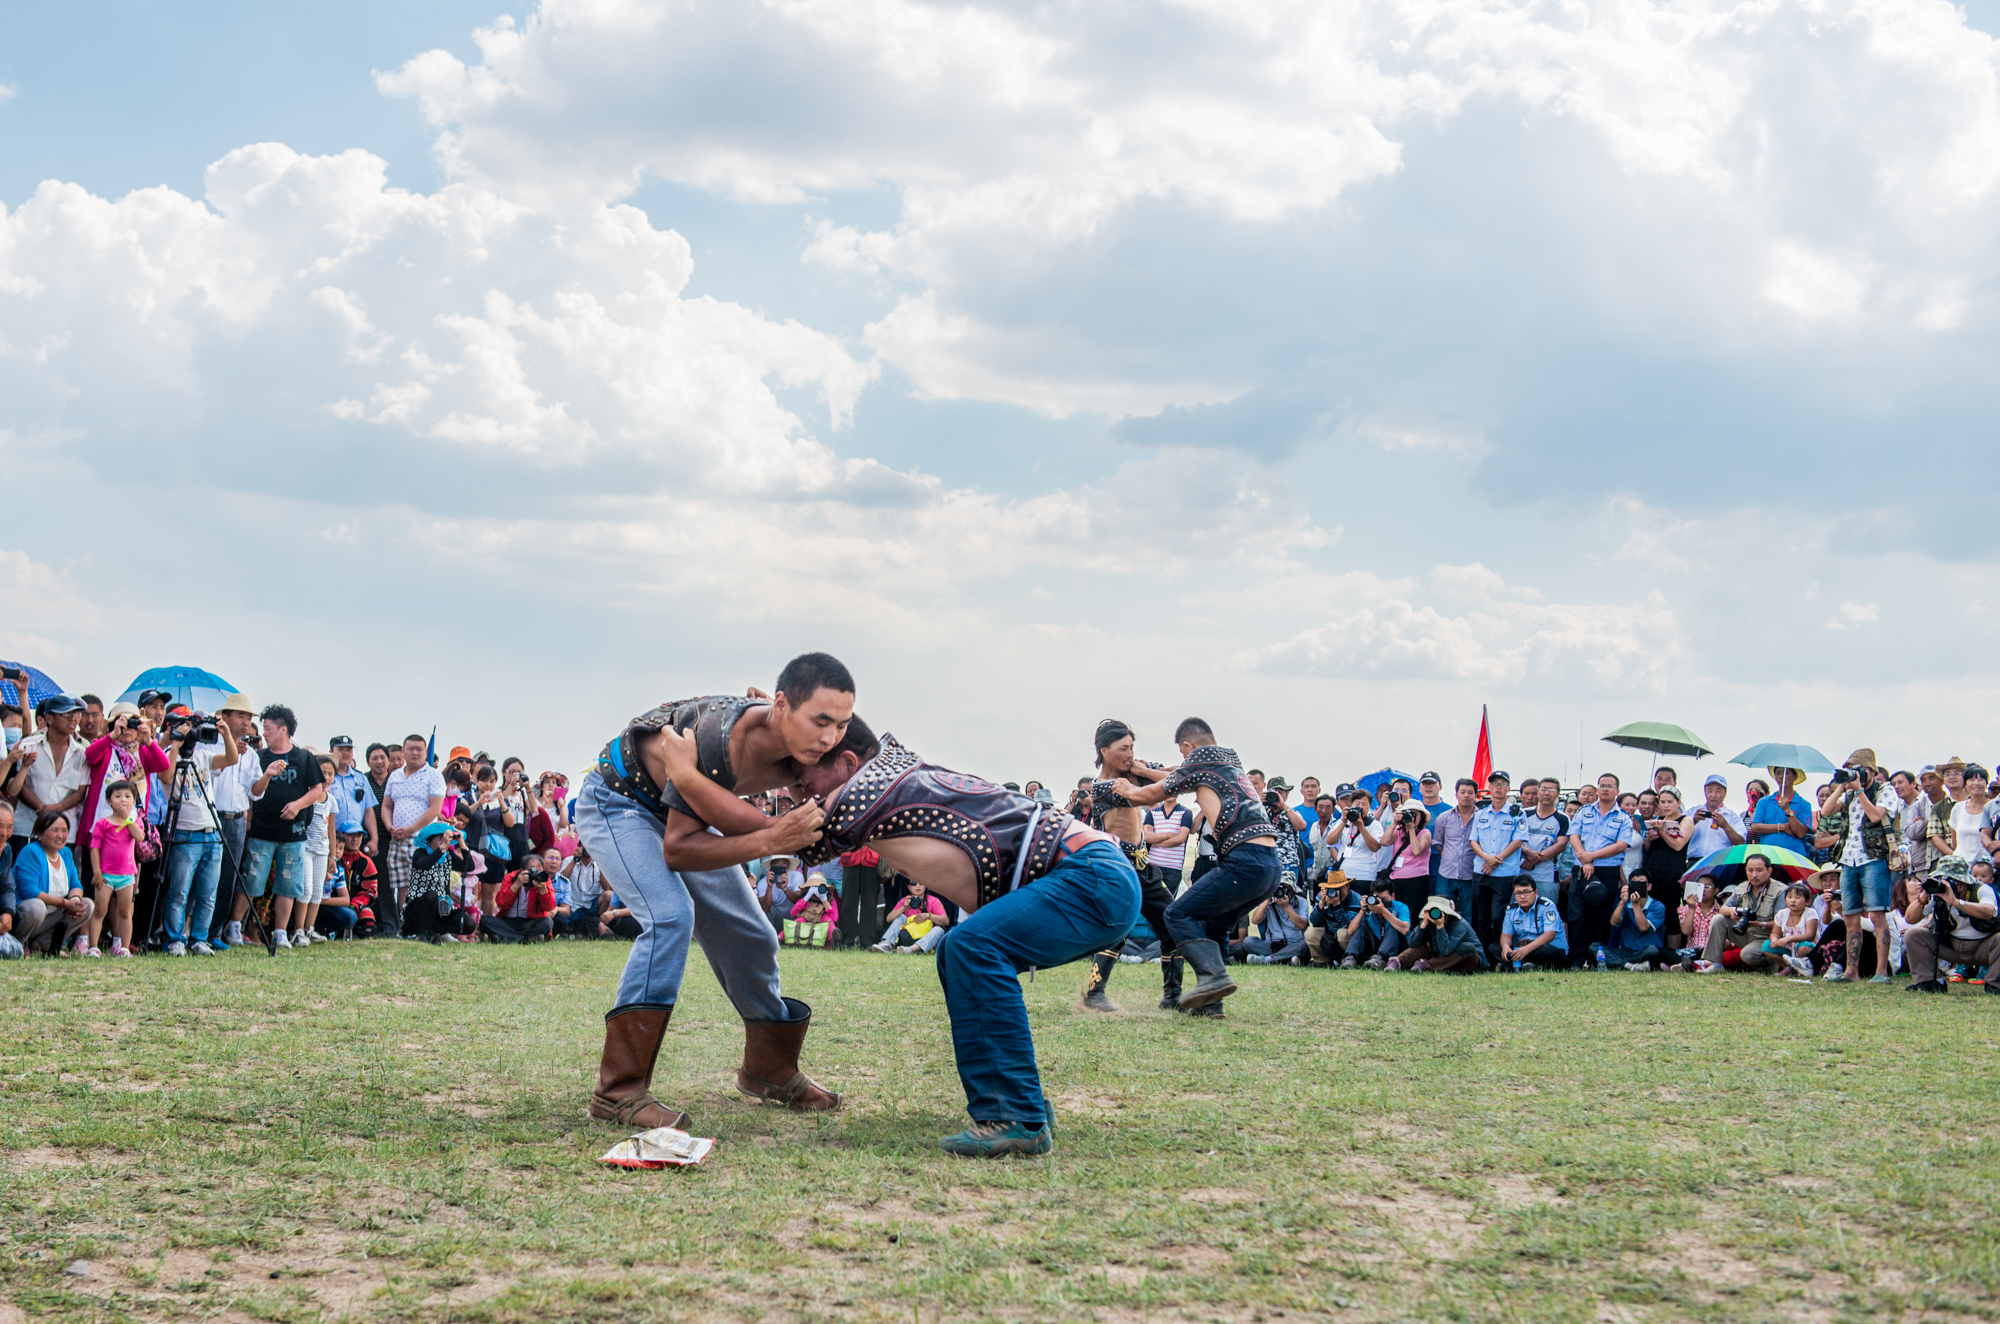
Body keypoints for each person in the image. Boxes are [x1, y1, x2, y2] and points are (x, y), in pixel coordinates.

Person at [670, 716, 1142, 1157]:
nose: (798, 795)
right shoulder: (892, 761)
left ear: (848, 764)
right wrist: (784, 721)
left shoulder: (862, 794)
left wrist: (687, 774)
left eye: (803, 779)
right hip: (1093, 871)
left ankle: (1015, 1114)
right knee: (969, 953)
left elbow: (769, 833)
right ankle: (1022, 1101)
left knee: (971, 949)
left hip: (1088, 876)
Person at [574, 654, 852, 1135]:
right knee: (669, 917)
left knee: (753, 932)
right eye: (820, 722)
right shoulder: (712, 739)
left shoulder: (809, 740)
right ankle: (617, 1092)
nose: (829, 738)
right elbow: (680, 850)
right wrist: (771, 839)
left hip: (681, 816)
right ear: (782, 706)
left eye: (841, 725)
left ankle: (768, 1070)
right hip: (618, 804)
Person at [1108, 717, 1280, 1014]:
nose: (1183, 760)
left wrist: (1126, 788)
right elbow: (1178, 773)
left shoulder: (1200, 760)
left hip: (1244, 861)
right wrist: (1142, 769)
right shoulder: (1229, 760)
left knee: (1176, 913)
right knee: (1216, 922)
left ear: (1189, 746)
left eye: (1183, 754)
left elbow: (1153, 793)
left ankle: (1214, 977)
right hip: (1269, 866)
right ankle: (1211, 1003)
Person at [1076, 719, 1182, 1014]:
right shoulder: (1103, 788)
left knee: (1171, 923)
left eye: (1132, 747)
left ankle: (1172, 995)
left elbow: (1182, 777)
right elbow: (1160, 791)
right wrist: (1143, 776)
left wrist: (1143, 770)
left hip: (1144, 866)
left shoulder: (1133, 774)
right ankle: (1095, 994)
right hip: (1117, 867)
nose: (1129, 754)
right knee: (1117, 930)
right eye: (1123, 748)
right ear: (1104, 750)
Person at [227, 705, 326, 951]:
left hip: (294, 834)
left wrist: (297, 805)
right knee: (251, 880)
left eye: (268, 728)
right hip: (262, 830)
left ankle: (281, 932)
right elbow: (251, 791)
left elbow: (317, 790)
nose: (264, 732)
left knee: (289, 885)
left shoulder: (303, 758)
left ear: (283, 729)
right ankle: (234, 926)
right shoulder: (259, 756)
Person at [1813, 749, 1898, 985]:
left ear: (1873, 771)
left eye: (1860, 770)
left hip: (1873, 859)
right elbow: (1826, 811)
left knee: (1878, 916)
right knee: (1850, 918)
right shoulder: (1849, 793)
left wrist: (1859, 789)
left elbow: (1874, 816)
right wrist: (1841, 785)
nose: (1857, 774)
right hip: (1848, 860)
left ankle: (1881, 972)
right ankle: (1851, 971)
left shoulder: (1885, 790)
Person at [1902, 856, 2000, 994]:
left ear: (1964, 880)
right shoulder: (1938, 894)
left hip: (1983, 946)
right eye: (1943, 878)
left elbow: (1988, 912)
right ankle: (1929, 982)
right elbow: (1910, 919)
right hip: (1950, 945)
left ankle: (1995, 984)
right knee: (1913, 934)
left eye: (1952, 880)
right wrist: (1923, 897)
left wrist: (1956, 902)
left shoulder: (1981, 889)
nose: (1947, 883)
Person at [1569, 773, 1634, 960]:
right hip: (1582, 867)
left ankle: (1597, 957)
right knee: (1577, 915)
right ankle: (1577, 959)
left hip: (1607, 870)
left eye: (1610, 786)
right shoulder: (1584, 811)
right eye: (1602, 785)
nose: (1605, 789)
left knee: (1602, 916)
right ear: (1597, 789)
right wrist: (1586, 861)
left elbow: (1621, 845)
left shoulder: (1623, 818)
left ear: (1617, 791)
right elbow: (1574, 836)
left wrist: (1592, 857)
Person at [382, 735, 446, 922]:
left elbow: (435, 808)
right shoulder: (394, 775)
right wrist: (389, 826)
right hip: (397, 838)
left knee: (423, 885)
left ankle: (425, 926)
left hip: (422, 839)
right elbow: (387, 806)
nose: (415, 752)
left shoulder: (434, 775)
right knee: (403, 886)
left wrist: (411, 829)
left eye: (419, 749)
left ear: (426, 752)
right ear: (403, 752)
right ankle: (406, 926)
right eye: (410, 749)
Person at [12, 810, 94, 954]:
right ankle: (17, 944)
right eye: (54, 830)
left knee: (86, 905)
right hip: (24, 916)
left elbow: (75, 885)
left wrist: (74, 900)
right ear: (40, 833)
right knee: (36, 907)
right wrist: (64, 903)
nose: (60, 835)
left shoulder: (65, 853)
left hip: (48, 917)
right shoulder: (31, 852)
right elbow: (30, 892)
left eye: (64, 830)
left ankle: (43, 944)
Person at [16, 694, 89, 845]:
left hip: (63, 833)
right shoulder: (29, 745)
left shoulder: (81, 753)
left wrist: (54, 809)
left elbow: (80, 792)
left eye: (75, 714)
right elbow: (18, 783)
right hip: (27, 826)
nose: (73, 718)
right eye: (65, 714)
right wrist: (40, 806)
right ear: (49, 718)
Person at [1466, 771, 1526, 954]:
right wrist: (1487, 858)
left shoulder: (1518, 814)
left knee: (1499, 916)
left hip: (1504, 872)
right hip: (1481, 870)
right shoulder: (1481, 813)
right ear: (1489, 788)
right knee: (1480, 916)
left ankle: (1497, 954)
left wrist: (1495, 860)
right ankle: (1481, 953)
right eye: (1494, 784)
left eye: (1502, 784)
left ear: (1508, 788)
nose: (1498, 787)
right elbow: (1473, 841)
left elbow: (1518, 841)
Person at [1701, 851, 1787, 972]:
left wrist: (1760, 924)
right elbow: (1723, 909)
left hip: (1767, 938)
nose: (1754, 875)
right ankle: (1715, 964)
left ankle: (1771, 966)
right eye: (1750, 870)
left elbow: (1783, 923)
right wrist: (1733, 911)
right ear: (1746, 870)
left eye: (1759, 870)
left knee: (1747, 954)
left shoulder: (1780, 890)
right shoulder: (1742, 887)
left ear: (1769, 871)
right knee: (1718, 919)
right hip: (1746, 933)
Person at [87, 780, 145, 957]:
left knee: (125, 912)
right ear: (108, 801)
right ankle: (93, 947)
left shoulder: (133, 822)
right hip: (105, 875)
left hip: (127, 875)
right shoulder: (102, 823)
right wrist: (97, 872)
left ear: (134, 801)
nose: (123, 800)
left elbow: (140, 837)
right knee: (99, 910)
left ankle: (124, 947)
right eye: (117, 796)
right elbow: (94, 848)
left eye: (128, 796)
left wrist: (128, 819)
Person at [1640, 788, 1692, 950]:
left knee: (1671, 914)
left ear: (1678, 803)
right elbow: (1649, 850)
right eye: (1662, 802)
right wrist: (1649, 839)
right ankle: (1652, 950)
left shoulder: (1686, 820)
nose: (1666, 805)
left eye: (1670, 802)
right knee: (1650, 912)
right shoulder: (1657, 820)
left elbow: (1678, 845)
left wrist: (1662, 830)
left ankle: (1673, 954)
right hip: (1653, 872)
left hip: (1673, 873)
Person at [1385, 895, 1483, 972]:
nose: (1436, 914)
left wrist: (1440, 926)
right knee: (1423, 947)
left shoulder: (1460, 924)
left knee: (1467, 947)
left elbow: (1446, 950)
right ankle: (1397, 962)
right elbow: (1412, 943)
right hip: (1441, 959)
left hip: (1468, 961)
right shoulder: (1429, 920)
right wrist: (1423, 925)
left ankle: (1425, 965)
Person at [1430, 778, 1478, 932]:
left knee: (1469, 915)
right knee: (1440, 912)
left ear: (1476, 795)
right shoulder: (1444, 817)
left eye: (1470, 792)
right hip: (1446, 873)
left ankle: (1469, 949)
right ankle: (1441, 946)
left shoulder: (1482, 818)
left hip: (1471, 875)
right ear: (1456, 794)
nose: (1466, 796)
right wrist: (1450, 859)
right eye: (1462, 792)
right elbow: (1438, 843)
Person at [483, 850, 559, 943]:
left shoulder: (544, 880)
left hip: (530, 922)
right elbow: (500, 903)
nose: (534, 874)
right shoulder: (511, 877)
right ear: (522, 870)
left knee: (547, 923)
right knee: (485, 920)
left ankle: (505, 938)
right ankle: (527, 939)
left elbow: (549, 907)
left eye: (538, 871)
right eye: (531, 871)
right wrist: (516, 885)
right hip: (508, 921)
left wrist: (543, 890)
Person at [1232, 877, 1309, 965]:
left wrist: (1286, 907)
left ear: (1292, 890)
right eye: (1279, 888)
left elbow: (1302, 925)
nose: (1282, 892)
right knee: (1248, 941)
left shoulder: (1301, 902)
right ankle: (1286, 958)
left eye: (1285, 889)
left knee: (1306, 944)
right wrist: (1266, 899)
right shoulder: (1269, 902)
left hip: (1293, 944)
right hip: (1273, 945)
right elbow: (1255, 920)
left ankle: (1267, 960)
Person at [1517, 778, 1569, 907]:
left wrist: (1534, 860)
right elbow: (1514, 839)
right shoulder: (1523, 814)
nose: (1547, 793)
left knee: (1545, 914)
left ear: (1557, 794)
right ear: (1538, 792)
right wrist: (1528, 853)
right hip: (1520, 872)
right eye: (1544, 789)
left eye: (1551, 790)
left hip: (1547, 876)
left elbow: (1561, 845)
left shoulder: (1563, 818)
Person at [325, 737, 379, 858]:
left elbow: (368, 810)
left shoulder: (361, 778)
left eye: (349, 750)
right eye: (340, 749)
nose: (345, 753)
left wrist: (374, 839)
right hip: (331, 838)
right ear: (331, 752)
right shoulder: (325, 777)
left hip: (355, 840)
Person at [1597, 874, 1666, 971]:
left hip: (1645, 951)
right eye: (1634, 882)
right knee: (1595, 948)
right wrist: (1622, 902)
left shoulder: (1657, 906)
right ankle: (1632, 966)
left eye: (1641, 882)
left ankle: (1621, 963)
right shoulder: (1626, 904)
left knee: (1653, 951)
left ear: (1649, 886)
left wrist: (1636, 905)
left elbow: (1643, 927)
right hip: (1626, 951)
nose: (1637, 885)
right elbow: (1614, 923)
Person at [1498, 877, 1567, 969]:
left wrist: (1527, 949)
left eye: (1526, 892)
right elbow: (1506, 935)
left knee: (1546, 950)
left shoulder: (1547, 906)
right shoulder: (1511, 910)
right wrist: (1505, 948)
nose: (1522, 896)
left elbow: (1550, 935)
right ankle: (1528, 965)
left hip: (1547, 949)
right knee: (1494, 947)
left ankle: (1515, 964)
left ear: (1535, 892)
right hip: (1523, 949)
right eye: (1518, 893)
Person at [1747, 767, 1815, 858]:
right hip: (1768, 855)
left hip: (1795, 856)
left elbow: (1801, 833)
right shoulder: (1764, 801)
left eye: (1786, 773)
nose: (1781, 777)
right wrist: (1782, 827)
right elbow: (1755, 826)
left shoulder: (1804, 804)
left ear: (1795, 776)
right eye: (1778, 773)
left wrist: (1788, 810)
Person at [1347, 878, 1411, 968]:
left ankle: (1380, 958)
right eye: (1378, 899)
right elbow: (1350, 931)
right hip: (1374, 945)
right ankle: (1350, 958)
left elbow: (1405, 929)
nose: (1381, 902)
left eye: (1385, 899)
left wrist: (1383, 911)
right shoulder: (1370, 909)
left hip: (1396, 948)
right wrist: (1362, 911)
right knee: (1361, 927)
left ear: (1393, 896)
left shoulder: (1400, 907)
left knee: (1394, 927)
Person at [873, 880, 950, 953]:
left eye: (921, 883)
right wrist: (903, 908)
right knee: (901, 917)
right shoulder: (905, 900)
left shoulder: (933, 900)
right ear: (909, 887)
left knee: (939, 930)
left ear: (926, 886)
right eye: (914, 883)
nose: (917, 886)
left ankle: (911, 949)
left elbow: (946, 921)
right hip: (908, 936)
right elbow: (889, 918)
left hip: (926, 936)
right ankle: (887, 944)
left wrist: (928, 916)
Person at [1302, 871, 1360, 966]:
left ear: (1348, 887)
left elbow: (1347, 926)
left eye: (1340, 888)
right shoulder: (1323, 897)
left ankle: (1347, 959)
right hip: (1329, 936)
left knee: (1342, 933)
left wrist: (1337, 905)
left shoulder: (1355, 899)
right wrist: (1321, 904)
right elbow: (1314, 922)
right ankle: (1321, 960)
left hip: (1347, 937)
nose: (1337, 893)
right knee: (1310, 933)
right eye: (1333, 889)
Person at [1765, 882, 1822, 977]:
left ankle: (1807, 968)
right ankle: (1789, 967)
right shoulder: (1782, 914)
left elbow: (1810, 935)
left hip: (1807, 947)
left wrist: (1788, 939)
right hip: (1790, 948)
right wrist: (1775, 940)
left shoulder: (1810, 913)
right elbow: (1775, 932)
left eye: (1798, 897)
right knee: (1766, 946)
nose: (1793, 900)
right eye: (1790, 897)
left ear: (1807, 901)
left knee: (1803, 947)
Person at [1685, 774, 1746, 864]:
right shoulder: (1692, 812)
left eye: (1718, 791)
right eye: (1710, 791)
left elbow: (1741, 843)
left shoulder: (1733, 817)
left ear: (1725, 793)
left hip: (1719, 863)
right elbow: (1678, 834)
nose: (1713, 795)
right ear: (1705, 792)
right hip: (1694, 862)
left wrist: (1726, 826)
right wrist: (1693, 821)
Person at [1950, 763, 1992, 865]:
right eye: (1972, 780)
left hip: (1985, 868)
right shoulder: (1958, 808)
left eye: (1981, 779)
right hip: (1960, 866)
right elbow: (1954, 840)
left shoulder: (1993, 808)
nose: (1976, 783)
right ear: (1965, 784)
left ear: (1986, 784)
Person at [784, 883, 838, 947]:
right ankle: (780, 938)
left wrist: (824, 899)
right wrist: (806, 897)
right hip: (805, 925)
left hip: (822, 926)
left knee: (828, 920)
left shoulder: (830, 900)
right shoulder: (805, 898)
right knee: (800, 920)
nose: (816, 891)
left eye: (819, 888)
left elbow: (834, 918)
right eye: (814, 887)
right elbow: (793, 913)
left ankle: (834, 941)